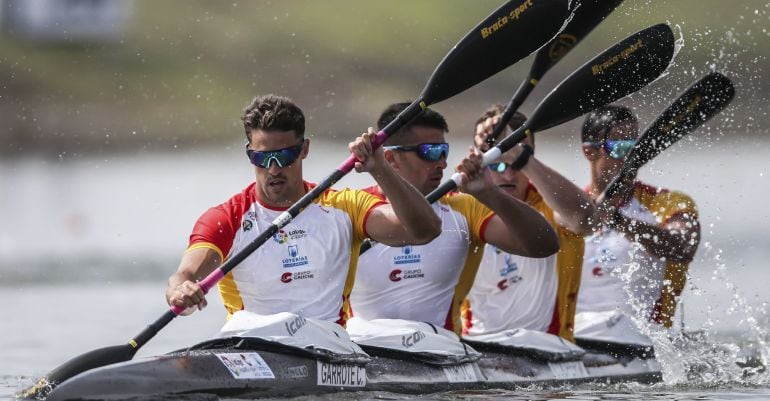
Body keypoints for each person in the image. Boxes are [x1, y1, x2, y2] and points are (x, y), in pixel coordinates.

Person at [165, 94, 441, 325]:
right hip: (249, 346)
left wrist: (380, 169)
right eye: (262, 157)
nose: (273, 168)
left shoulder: (344, 207)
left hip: (327, 350)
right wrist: (181, 293)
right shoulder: (227, 218)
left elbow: (423, 231)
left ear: (304, 149)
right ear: (249, 153)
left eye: (284, 156)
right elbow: (185, 276)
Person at [349, 102, 559, 335]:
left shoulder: (465, 209)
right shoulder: (351, 208)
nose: (443, 163)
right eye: (430, 152)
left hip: (441, 351)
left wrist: (490, 192)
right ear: (389, 158)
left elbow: (544, 245)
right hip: (364, 349)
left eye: (444, 151)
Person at [462, 105, 594, 343]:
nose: (508, 176)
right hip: (478, 348)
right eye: (497, 164)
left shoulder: (551, 205)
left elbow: (584, 220)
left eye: (517, 164)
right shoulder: (462, 207)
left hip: (550, 349)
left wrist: (522, 157)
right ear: (476, 157)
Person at [576, 105, 700, 329]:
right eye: (620, 147)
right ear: (589, 151)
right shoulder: (571, 211)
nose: (632, 157)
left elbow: (682, 246)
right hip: (578, 338)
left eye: (636, 147)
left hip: (644, 341)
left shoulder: (667, 203)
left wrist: (617, 220)